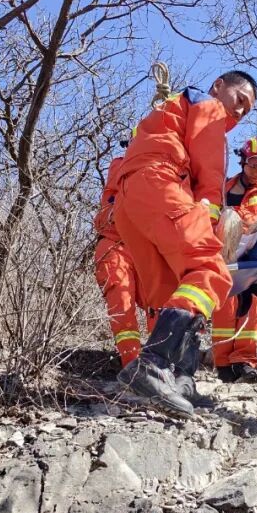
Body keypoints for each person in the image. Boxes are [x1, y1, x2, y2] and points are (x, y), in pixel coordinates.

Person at [113, 70, 257, 416]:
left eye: (247, 110)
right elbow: (210, 175)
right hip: (162, 183)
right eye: (240, 99)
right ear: (218, 85)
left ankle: (179, 378)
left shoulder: (172, 111)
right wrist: (210, 222)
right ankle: (153, 363)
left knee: (171, 290)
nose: (240, 111)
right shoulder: (208, 107)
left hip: (130, 199)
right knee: (209, 270)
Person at [211, 136, 257, 383]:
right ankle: (222, 362)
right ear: (243, 161)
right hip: (226, 253)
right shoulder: (225, 188)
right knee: (225, 305)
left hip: (254, 256)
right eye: (254, 163)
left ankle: (245, 360)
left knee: (256, 303)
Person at [92, 136, 145, 369]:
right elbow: (106, 213)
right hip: (115, 245)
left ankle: (164, 362)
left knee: (162, 303)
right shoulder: (119, 168)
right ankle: (131, 364)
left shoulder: (170, 172)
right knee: (121, 302)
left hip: (148, 249)